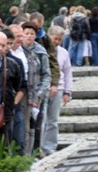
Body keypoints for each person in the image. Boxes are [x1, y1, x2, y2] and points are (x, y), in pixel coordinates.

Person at [17, 21, 51, 155]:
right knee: (24, 126)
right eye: (26, 34)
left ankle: (35, 151)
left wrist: (40, 93)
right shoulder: (18, 51)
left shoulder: (41, 52)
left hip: (38, 94)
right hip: (23, 93)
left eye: (32, 34)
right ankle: (25, 153)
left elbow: (46, 74)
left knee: (37, 125)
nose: (29, 36)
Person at [44, 26, 72, 154]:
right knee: (41, 119)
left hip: (59, 88)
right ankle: (39, 146)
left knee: (53, 120)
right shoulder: (43, 50)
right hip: (44, 88)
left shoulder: (64, 52)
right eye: (55, 39)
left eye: (59, 40)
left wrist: (67, 91)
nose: (56, 42)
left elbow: (67, 73)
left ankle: (50, 146)